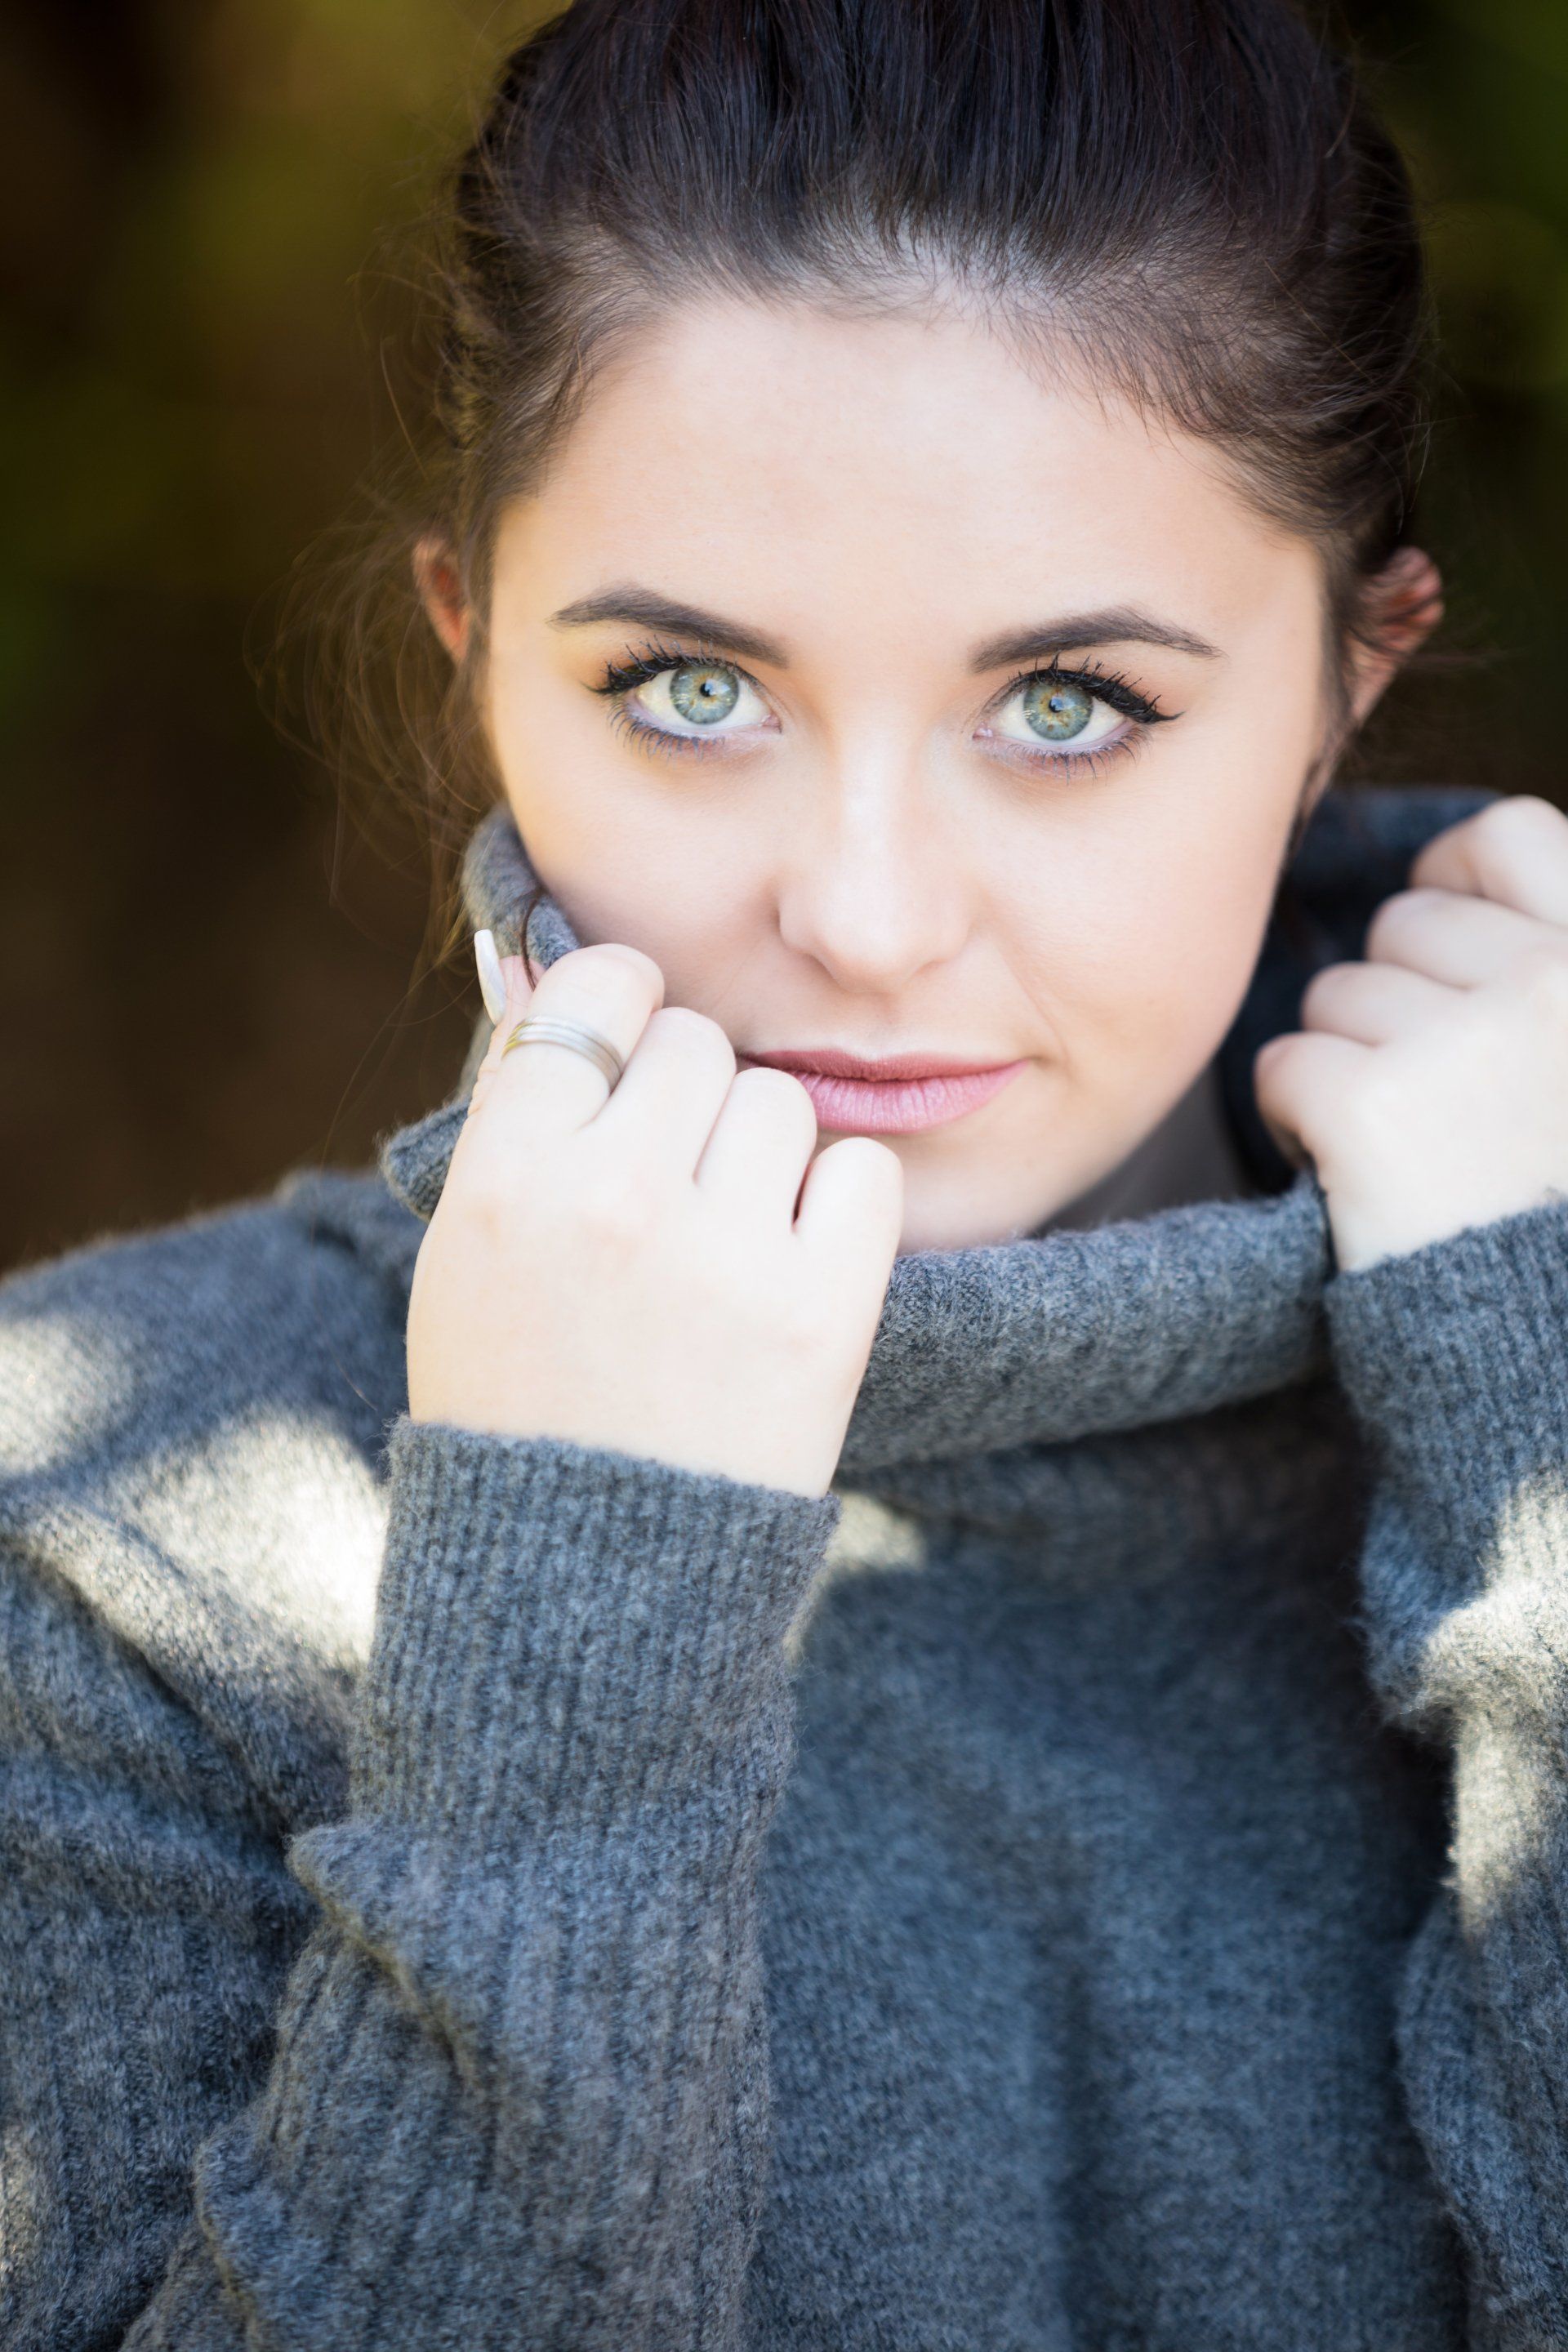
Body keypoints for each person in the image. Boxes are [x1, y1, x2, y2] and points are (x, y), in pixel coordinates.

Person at [6, 0, 1568, 2341]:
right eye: (688, 688)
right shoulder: (115, 1530)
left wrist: (1535, 1406)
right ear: (476, 650)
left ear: (1355, 672)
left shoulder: (1535, 1374)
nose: (857, 911)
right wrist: (573, 1609)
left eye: (1071, 706)